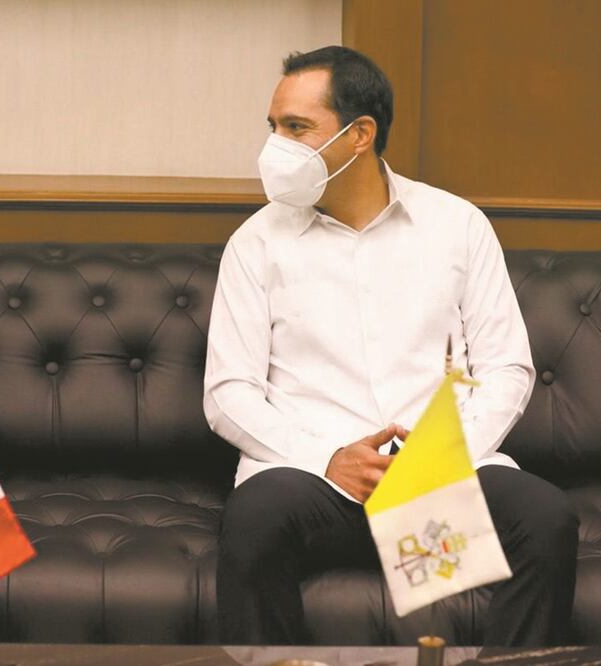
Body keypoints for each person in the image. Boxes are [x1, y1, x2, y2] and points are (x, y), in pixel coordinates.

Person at [203, 46, 578, 646]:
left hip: (434, 486)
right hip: (312, 483)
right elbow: (229, 392)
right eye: (274, 127)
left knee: (545, 518)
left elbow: (506, 366)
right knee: (253, 518)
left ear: (360, 135)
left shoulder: (458, 226)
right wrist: (329, 456)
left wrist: (437, 461)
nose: (277, 146)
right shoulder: (256, 242)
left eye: (297, 128)